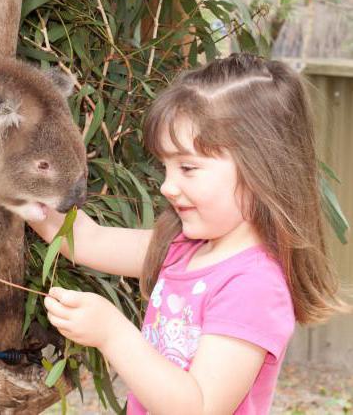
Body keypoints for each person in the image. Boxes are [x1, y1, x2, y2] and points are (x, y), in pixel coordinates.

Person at [28, 54, 349, 414]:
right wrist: (18, 189)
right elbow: (87, 241)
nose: (167, 186)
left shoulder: (253, 286)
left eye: (188, 168)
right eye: (165, 167)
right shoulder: (183, 248)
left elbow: (199, 407)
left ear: (262, 169)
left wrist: (113, 334)